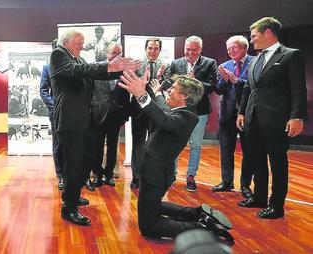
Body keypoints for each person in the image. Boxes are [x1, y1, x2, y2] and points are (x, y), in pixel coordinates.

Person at [118, 71, 233, 241]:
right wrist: (156, 93)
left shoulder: (187, 117)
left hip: (155, 173)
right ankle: (196, 213)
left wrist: (142, 95)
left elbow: (165, 119)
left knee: (149, 226)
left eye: (173, 88)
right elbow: (163, 111)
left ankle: (200, 227)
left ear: (184, 97)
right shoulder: (182, 110)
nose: (168, 90)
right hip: (154, 171)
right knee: (153, 207)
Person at [50, 28, 140, 226]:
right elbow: (78, 72)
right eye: (78, 43)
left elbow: (93, 74)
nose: (82, 46)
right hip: (70, 121)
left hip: (85, 120)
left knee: (85, 160)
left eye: (82, 43)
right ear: (66, 43)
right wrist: (109, 65)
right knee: (73, 165)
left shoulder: (78, 59)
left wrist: (121, 70)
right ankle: (69, 207)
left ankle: (72, 195)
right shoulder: (59, 55)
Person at [237, 17, 307, 219]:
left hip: (277, 121)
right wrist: (242, 112)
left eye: (254, 36)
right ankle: (259, 198)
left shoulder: (291, 55)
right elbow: (248, 89)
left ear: (268, 32)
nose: (252, 41)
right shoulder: (256, 59)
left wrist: (297, 117)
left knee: (277, 163)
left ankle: (276, 206)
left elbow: (298, 89)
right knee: (256, 161)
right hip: (252, 120)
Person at [167, 36, 217, 192]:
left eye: (193, 50)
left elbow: (212, 86)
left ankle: (190, 176)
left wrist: (196, 82)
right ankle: (171, 175)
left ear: (200, 49)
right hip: (178, 110)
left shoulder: (210, 63)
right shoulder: (176, 63)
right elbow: (170, 83)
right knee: (174, 143)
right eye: (187, 49)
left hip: (199, 111)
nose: (189, 53)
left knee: (195, 144)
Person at [212, 35, 253, 199]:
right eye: (228, 48)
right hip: (227, 114)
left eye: (233, 48)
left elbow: (252, 86)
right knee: (226, 149)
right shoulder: (224, 66)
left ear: (244, 47)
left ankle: (245, 185)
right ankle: (227, 181)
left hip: (248, 114)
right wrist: (224, 78)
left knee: (248, 151)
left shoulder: (255, 62)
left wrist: (236, 80)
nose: (230, 51)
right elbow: (219, 90)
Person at [130, 37, 168, 189]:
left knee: (154, 143)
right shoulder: (137, 64)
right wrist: (141, 80)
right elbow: (131, 83)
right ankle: (136, 177)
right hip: (138, 109)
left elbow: (169, 85)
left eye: (156, 49)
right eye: (150, 48)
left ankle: (151, 175)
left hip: (156, 110)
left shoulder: (165, 66)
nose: (152, 51)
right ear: (145, 49)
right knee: (138, 143)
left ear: (159, 50)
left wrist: (161, 77)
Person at [91, 42, 130, 187]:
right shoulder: (98, 67)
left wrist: (125, 115)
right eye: (113, 53)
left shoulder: (125, 71)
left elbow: (126, 95)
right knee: (97, 146)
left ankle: (109, 174)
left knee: (113, 146)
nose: (116, 56)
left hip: (116, 116)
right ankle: (97, 174)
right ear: (107, 53)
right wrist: (94, 109)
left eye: (119, 53)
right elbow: (91, 91)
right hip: (99, 115)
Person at [39, 38, 64, 190]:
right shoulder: (47, 67)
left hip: (72, 112)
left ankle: (70, 174)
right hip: (56, 112)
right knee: (58, 143)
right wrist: (55, 106)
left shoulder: (72, 66)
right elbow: (43, 90)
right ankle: (60, 175)